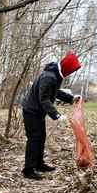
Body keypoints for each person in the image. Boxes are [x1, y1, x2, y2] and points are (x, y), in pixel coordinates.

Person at [20, 52, 83, 180]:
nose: (70, 73)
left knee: (41, 137)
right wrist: (57, 115)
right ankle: (28, 170)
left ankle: (39, 164)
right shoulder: (49, 76)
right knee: (33, 139)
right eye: (71, 70)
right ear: (66, 67)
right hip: (31, 110)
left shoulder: (56, 75)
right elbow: (44, 99)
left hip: (39, 111)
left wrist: (71, 98)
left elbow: (55, 92)